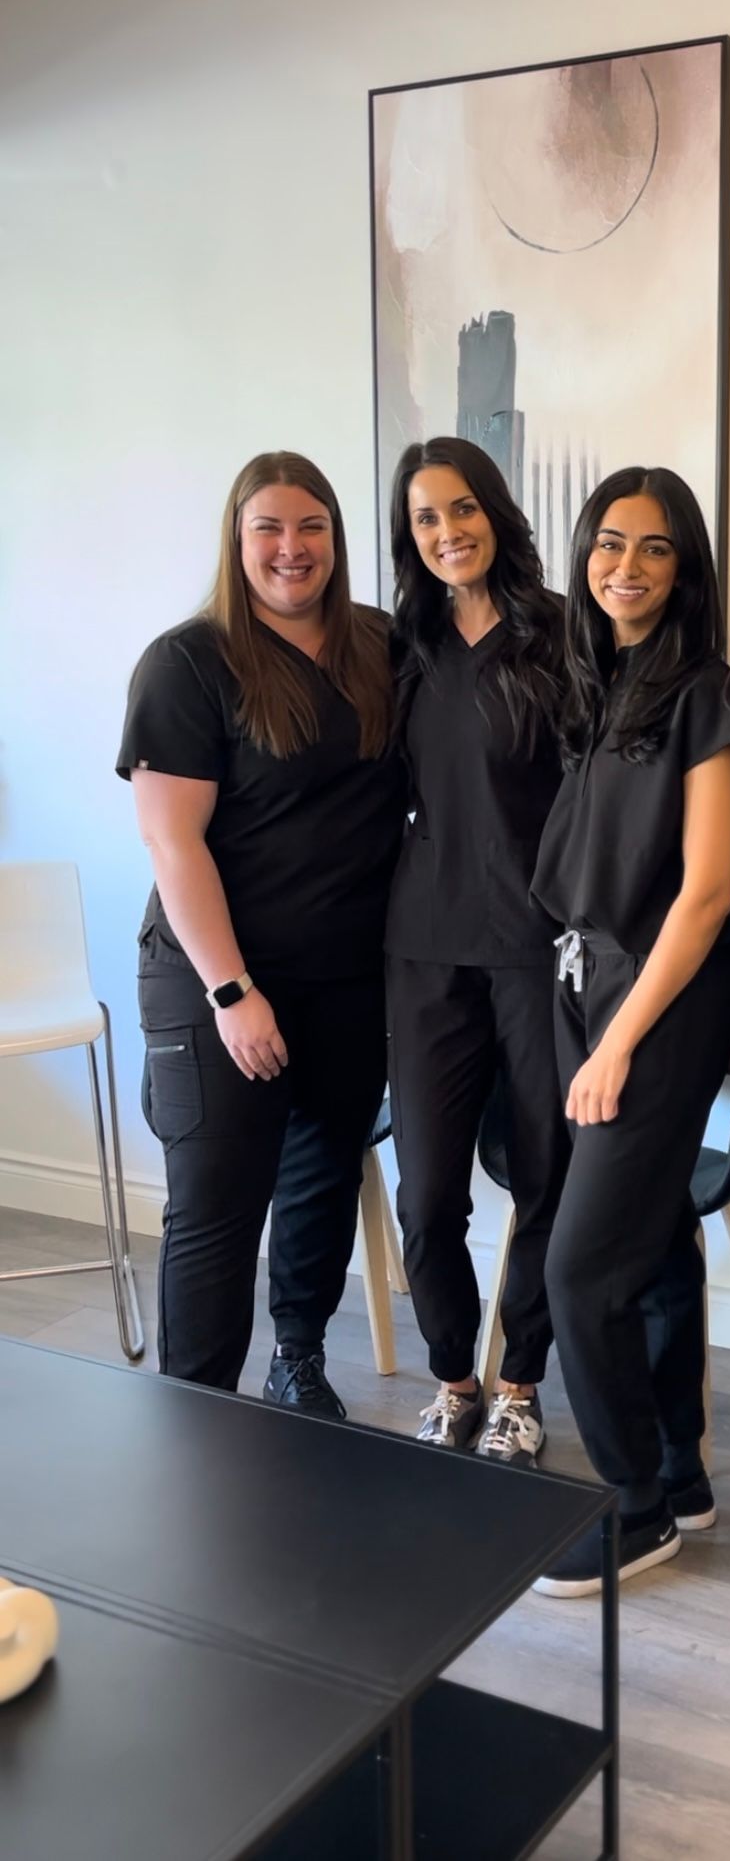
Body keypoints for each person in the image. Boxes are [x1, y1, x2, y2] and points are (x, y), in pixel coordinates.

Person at [118, 451, 403, 1417]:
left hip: (346, 977)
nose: (292, 549)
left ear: (337, 537)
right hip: (215, 983)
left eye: (311, 526)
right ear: (237, 542)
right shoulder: (188, 662)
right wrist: (233, 992)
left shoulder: (381, 648)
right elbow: (172, 841)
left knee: (322, 1177)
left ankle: (298, 1362)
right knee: (217, 1207)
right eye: (269, 529)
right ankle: (195, 1415)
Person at [529, 467, 730, 1597]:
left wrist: (619, 1041)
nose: (627, 565)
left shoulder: (703, 693)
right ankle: (681, 1471)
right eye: (610, 543)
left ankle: (633, 1504)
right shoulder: (598, 681)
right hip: (584, 981)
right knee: (654, 1239)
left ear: (687, 567)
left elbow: (706, 893)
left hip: (656, 1000)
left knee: (580, 1269)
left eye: (656, 548)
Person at [385, 436, 569, 1465]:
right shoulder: (398, 643)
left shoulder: (559, 636)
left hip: (539, 951)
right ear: (409, 534)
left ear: (494, 511)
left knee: (545, 1172)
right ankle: (454, 1375)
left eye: (461, 508)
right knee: (428, 1192)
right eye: (424, 517)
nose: (447, 530)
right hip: (422, 950)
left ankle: (519, 1384)